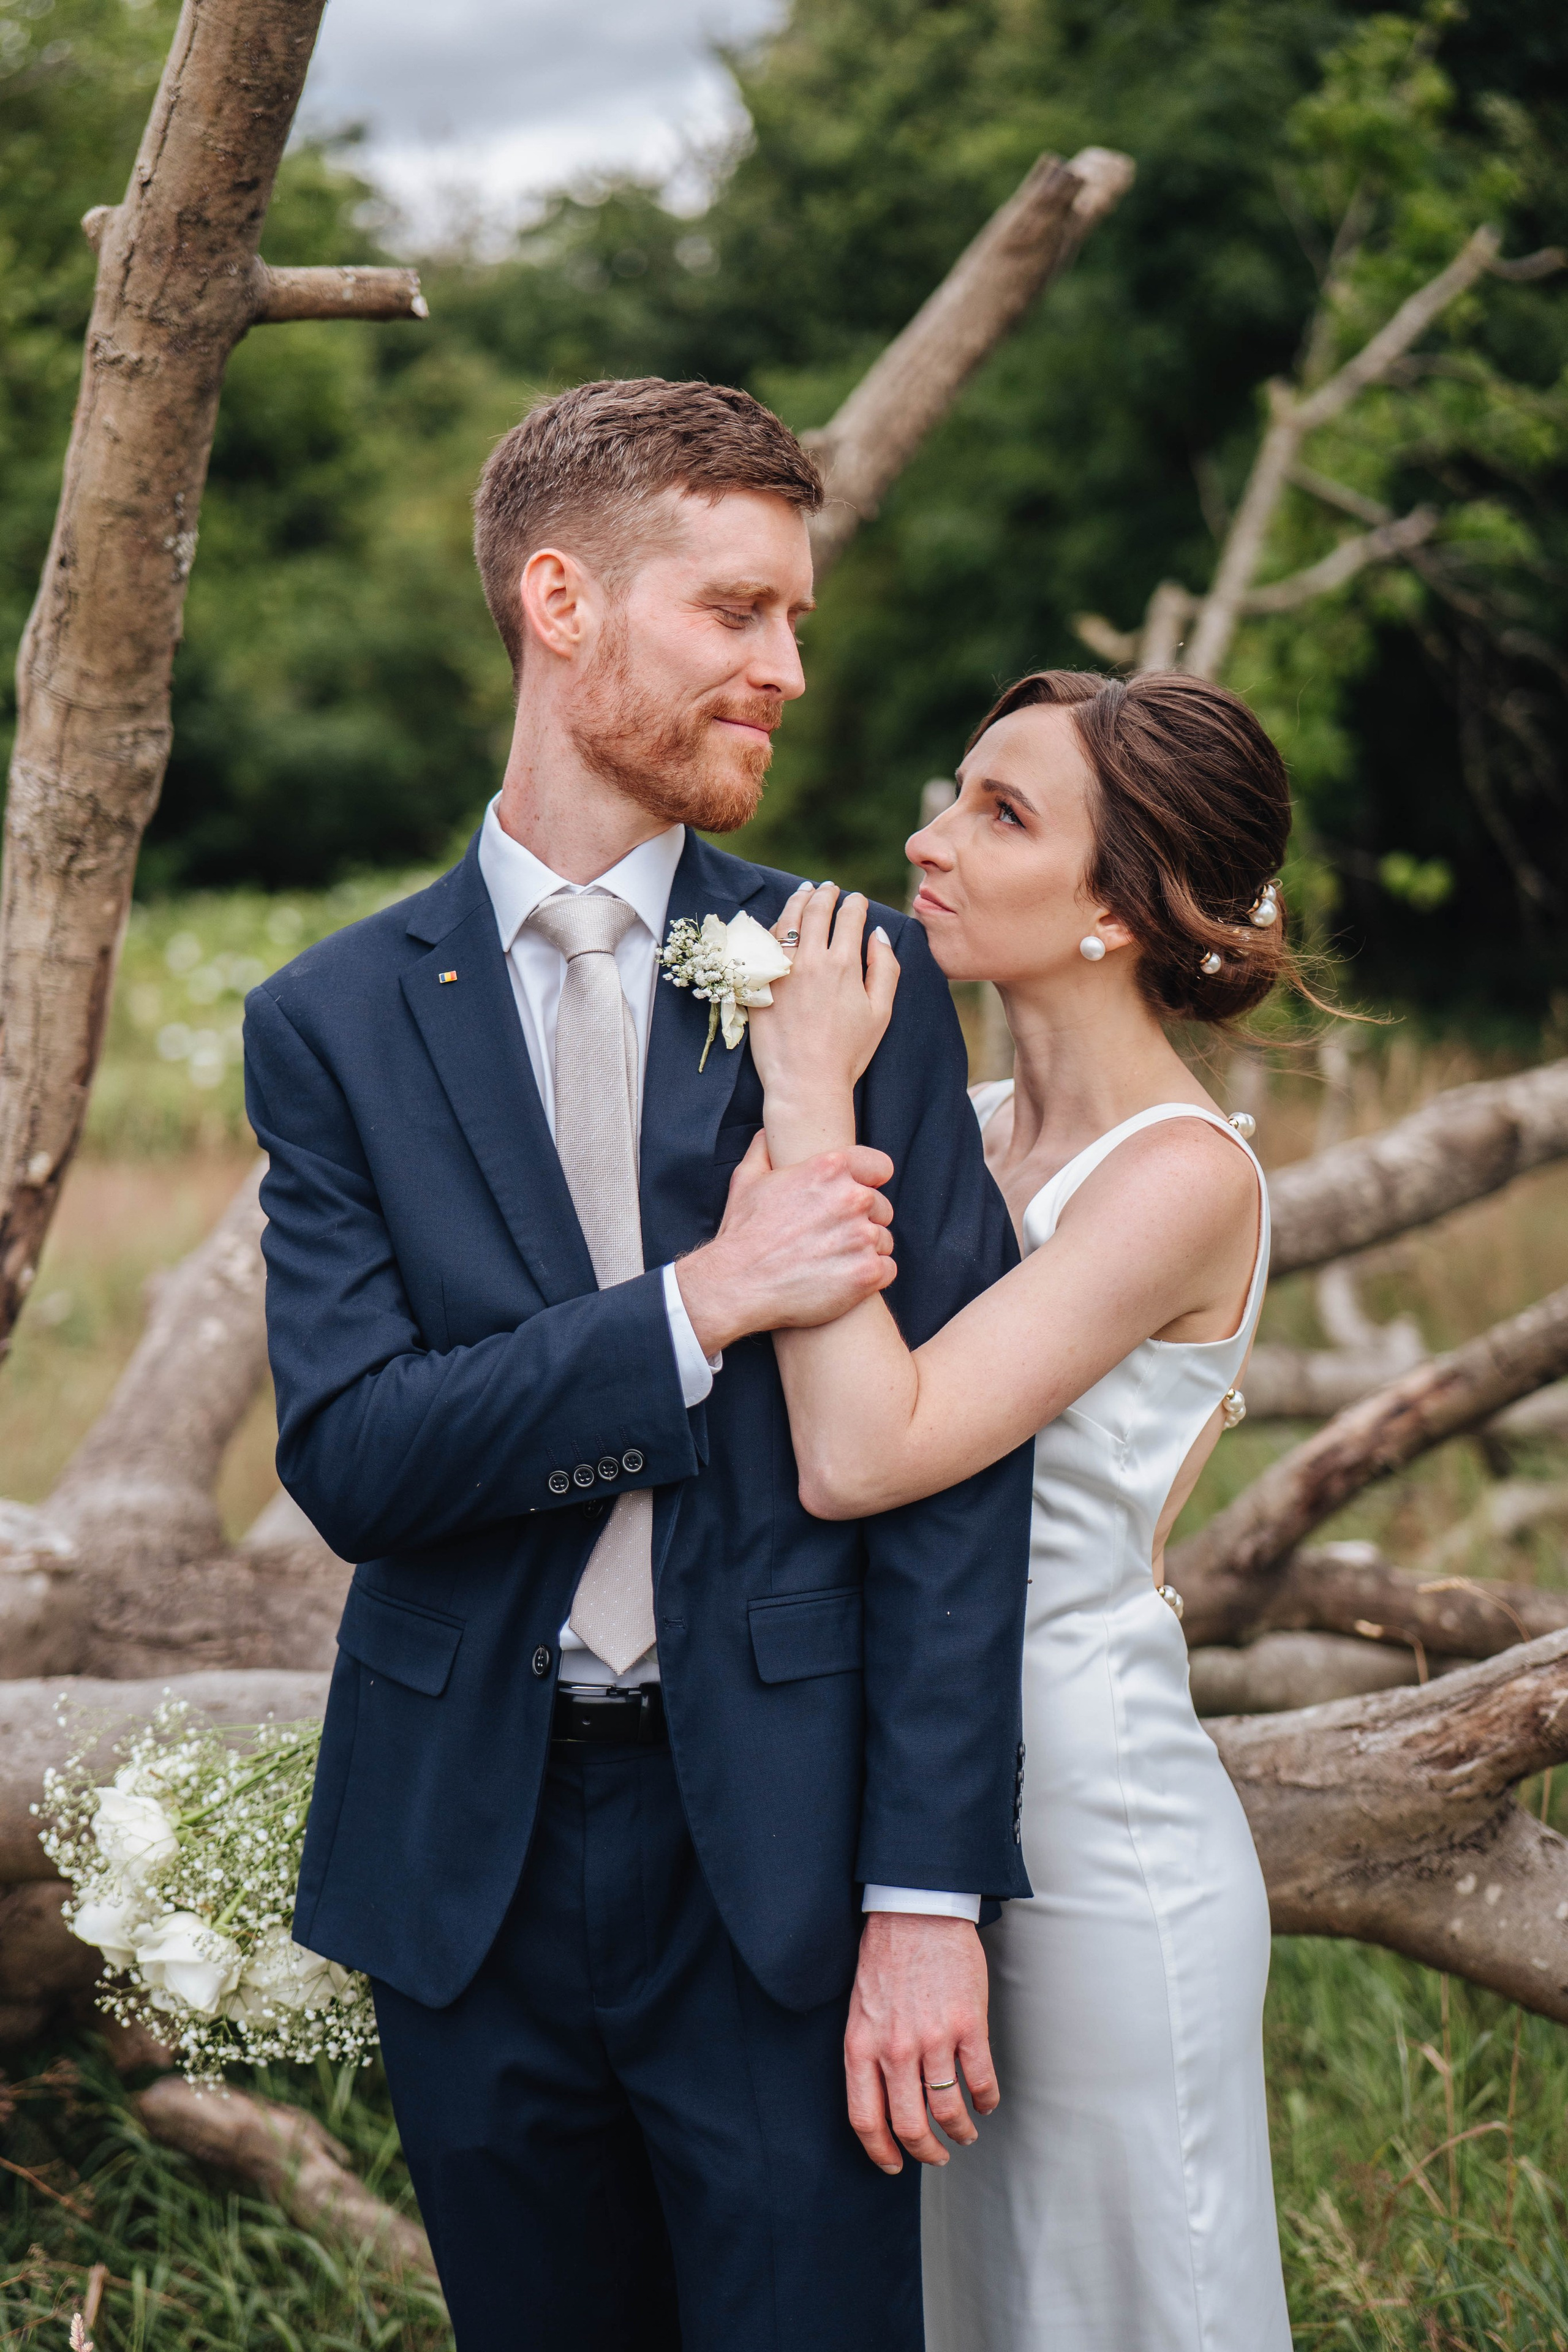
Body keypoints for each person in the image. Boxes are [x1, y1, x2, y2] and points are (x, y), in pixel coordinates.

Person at [243, 376, 1035, 2351]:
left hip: (780, 1859)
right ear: (562, 600)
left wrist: (928, 1895)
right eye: (736, 613)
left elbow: (949, 1470)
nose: (782, 670)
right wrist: (704, 1306)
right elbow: (358, 1457)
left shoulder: (852, 984)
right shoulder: (328, 1020)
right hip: (466, 1865)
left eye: (797, 626)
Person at [736, 666, 1295, 2350]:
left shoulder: (1182, 1177)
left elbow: (862, 1450)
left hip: (1093, 1833)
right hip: (914, 1787)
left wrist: (810, 1101)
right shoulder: (969, 1131)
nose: (929, 843)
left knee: (1125, 2303)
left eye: (1001, 815)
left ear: (1122, 907)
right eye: (952, 792)